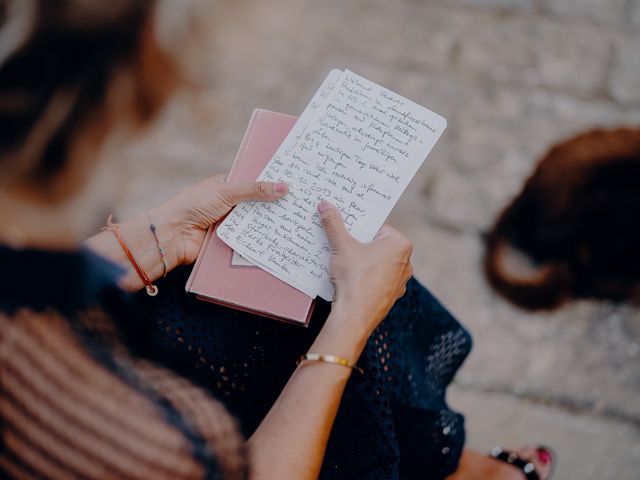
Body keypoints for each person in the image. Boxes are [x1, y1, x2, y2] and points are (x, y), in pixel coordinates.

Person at [0, 1, 554, 479]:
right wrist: (350, 324)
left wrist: (158, 236)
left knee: (268, 298)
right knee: (338, 319)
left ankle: (447, 463)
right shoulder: (150, 440)